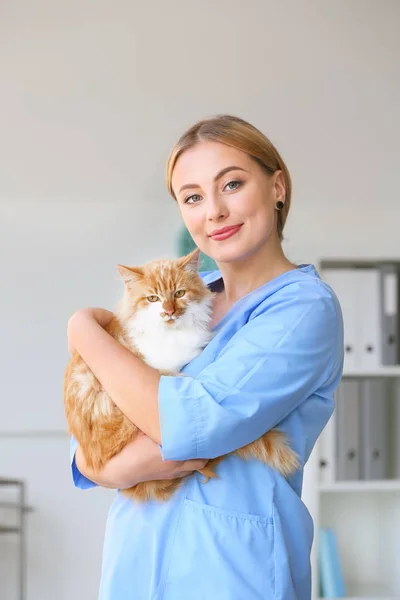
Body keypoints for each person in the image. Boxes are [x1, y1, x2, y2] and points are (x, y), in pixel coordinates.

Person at [68, 114, 344, 600]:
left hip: (231, 572)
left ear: (277, 186)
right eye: (192, 197)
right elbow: (95, 436)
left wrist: (84, 332)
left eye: (232, 184)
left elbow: (188, 427)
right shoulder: (186, 302)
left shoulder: (302, 309)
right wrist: (108, 467)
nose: (214, 211)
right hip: (136, 565)